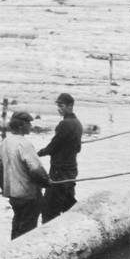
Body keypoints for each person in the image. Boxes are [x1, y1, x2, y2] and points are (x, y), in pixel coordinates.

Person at [0, 111, 51, 240]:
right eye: (28, 124)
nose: (31, 126)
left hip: (14, 195)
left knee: (17, 224)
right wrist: (46, 182)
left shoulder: (5, 142)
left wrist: (5, 189)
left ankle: (11, 253)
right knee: (28, 231)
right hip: (28, 195)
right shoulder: (24, 143)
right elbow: (37, 170)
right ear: (21, 126)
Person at [38, 92, 82, 223]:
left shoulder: (64, 124)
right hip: (71, 171)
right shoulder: (77, 123)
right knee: (69, 205)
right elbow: (78, 148)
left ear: (70, 106)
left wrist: (37, 154)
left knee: (49, 209)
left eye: (61, 106)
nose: (58, 109)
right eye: (58, 105)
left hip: (59, 171)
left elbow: (53, 147)